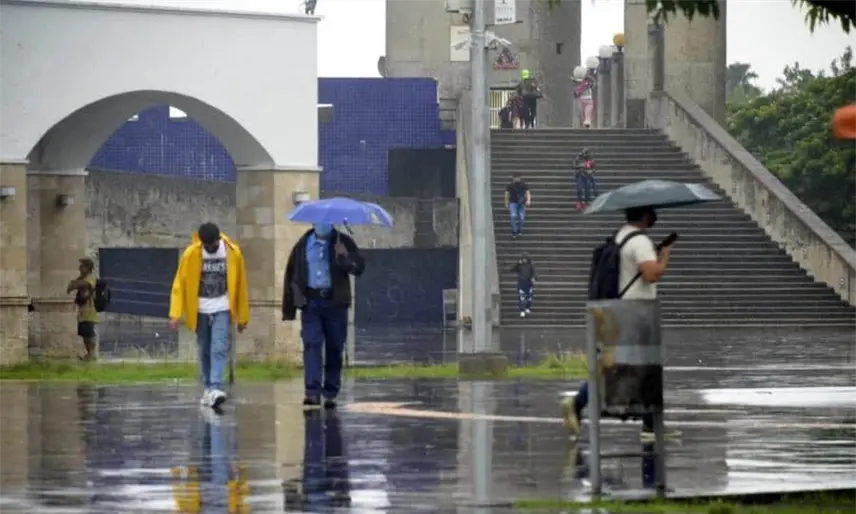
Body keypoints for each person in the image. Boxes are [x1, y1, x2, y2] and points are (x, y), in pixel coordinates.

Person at [563, 205, 675, 440]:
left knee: (635, 369)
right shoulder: (640, 241)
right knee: (636, 368)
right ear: (645, 215)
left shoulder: (621, 236)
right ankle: (577, 401)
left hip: (620, 310)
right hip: (634, 313)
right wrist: (664, 256)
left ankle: (650, 426)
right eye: (652, 212)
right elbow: (651, 274)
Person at [283, 223, 365, 410]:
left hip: (335, 303)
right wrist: (291, 304)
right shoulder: (302, 244)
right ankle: (312, 392)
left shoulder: (343, 241)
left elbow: (359, 267)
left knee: (335, 346)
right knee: (312, 343)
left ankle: (330, 391)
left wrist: (344, 257)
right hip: (311, 303)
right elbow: (292, 274)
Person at [169, 222, 250, 409]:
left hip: (222, 306)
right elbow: (179, 284)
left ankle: (215, 386)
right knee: (205, 348)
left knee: (219, 346)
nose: (210, 249)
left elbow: (241, 286)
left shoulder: (232, 252)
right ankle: (207, 387)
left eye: (213, 245)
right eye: (207, 246)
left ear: (219, 240)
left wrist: (242, 317)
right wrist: (175, 313)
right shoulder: (191, 254)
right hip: (200, 309)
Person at [67, 257, 99, 361]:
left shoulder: (91, 277)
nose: (80, 268)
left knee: (89, 332)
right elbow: (74, 284)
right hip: (82, 311)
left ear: (87, 267)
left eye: (82, 266)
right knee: (84, 333)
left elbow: (84, 284)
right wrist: (76, 281)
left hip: (90, 310)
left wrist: (74, 284)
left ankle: (92, 354)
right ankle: (88, 354)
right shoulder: (82, 277)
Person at [511, 251, 537, 317]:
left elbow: (534, 272)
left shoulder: (531, 264)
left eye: (525, 258)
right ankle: (522, 310)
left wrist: (534, 278)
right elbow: (512, 269)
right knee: (521, 297)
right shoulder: (519, 265)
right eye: (523, 259)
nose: (524, 260)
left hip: (528, 283)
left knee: (529, 297)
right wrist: (517, 264)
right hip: (522, 282)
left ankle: (527, 307)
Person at [505, 172, 531, 238]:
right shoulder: (510, 185)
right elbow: (507, 194)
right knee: (513, 216)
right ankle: (514, 230)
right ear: (513, 178)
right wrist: (506, 202)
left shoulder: (524, 185)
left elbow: (528, 193)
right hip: (513, 203)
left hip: (521, 203)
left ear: (520, 178)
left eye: (518, 177)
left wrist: (528, 200)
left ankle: (519, 229)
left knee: (521, 217)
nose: (517, 179)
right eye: (515, 178)